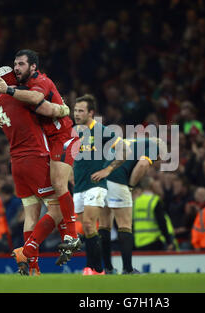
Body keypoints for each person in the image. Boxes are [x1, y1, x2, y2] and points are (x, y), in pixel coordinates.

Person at [0, 50, 81, 256]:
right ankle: (63, 241)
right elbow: (45, 108)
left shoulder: (39, 82)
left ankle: (67, 238)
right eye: (15, 65)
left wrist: (63, 110)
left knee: (55, 190)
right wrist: (62, 109)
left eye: (21, 64)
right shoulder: (22, 92)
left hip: (63, 138)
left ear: (33, 67)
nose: (16, 68)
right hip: (42, 148)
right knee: (55, 197)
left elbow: (47, 107)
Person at [95, 135, 169, 274]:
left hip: (101, 180)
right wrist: (130, 186)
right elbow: (142, 165)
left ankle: (108, 268)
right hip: (117, 180)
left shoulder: (130, 141)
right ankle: (127, 269)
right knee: (124, 224)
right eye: (158, 158)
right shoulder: (153, 146)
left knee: (104, 225)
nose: (157, 161)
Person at [72, 94, 128, 275]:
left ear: (91, 113)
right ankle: (93, 267)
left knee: (89, 224)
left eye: (81, 110)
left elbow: (124, 150)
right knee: (86, 229)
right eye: (75, 110)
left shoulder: (101, 130)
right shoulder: (73, 132)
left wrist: (108, 170)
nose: (76, 114)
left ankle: (95, 268)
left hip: (96, 185)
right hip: (78, 187)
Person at [133, 176, 176, 251]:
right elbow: (162, 222)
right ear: (152, 186)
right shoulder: (154, 201)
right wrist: (169, 241)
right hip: (153, 241)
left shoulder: (136, 202)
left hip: (138, 242)